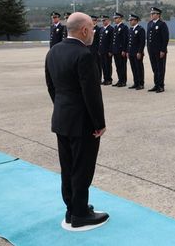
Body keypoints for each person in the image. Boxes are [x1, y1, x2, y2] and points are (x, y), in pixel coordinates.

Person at [45, 12, 109, 228]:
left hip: (62, 119)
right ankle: (80, 214)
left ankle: (72, 209)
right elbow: (91, 94)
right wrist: (99, 124)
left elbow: (51, 87)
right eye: (91, 28)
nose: (93, 32)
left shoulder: (53, 51)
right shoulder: (84, 55)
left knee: (68, 167)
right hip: (83, 124)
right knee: (82, 168)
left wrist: (63, 108)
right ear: (84, 30)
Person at [146, 7, 169, 93]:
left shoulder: (162, 24)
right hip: (151, 51)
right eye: (151, 14)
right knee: (155, 68)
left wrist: (163, 50)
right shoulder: (150, 24)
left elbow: (165, 38)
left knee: (160, 68)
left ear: (158, 15)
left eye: (153, 13)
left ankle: (161, 86)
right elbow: (148, 38)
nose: (151, 15)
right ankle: (156, 85)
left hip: (159, 51)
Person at [127, 14, 146, 90]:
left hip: (137, 53)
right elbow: (129, 42)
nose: (130, 22)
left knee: (139, 68)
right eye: (130, 20)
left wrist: (140, 52)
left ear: (136, 20)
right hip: (131, 52)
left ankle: (141, 84)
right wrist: (128, 51)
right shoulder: (131, 29)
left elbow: (142, 42)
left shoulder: (140, 29)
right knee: (133, 68)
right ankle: (136, 82)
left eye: (131, 20)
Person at [111, 12, 129, 87]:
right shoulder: (115, 27)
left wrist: (124, 50)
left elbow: (125, 40)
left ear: (121, 18)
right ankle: (120, 80)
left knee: (122, 66)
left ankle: (123, 81)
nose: (115, 19)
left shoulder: (124, 27)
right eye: (114, 18)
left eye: (116, 18)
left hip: (121, 51)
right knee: (118, 66)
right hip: (116, 50)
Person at [98, 15, 114, 85]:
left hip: (107, 51)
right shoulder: (101, 29)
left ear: (108, 20)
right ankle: (105, 79)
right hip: (102, 50)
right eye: (102, 20)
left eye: (104, 20)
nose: (103, 22)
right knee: (103, 65)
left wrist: (110, 50)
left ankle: (109, 79)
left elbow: (111, 41)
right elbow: (100, 41)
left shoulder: (111, 29)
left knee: (108, 65)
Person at [90, 15, 102, 79]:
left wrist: (98, 50)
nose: (92, 22)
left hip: (96, 49)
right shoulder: (89, 29)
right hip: (89, 49)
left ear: (96, 21)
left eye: (93, 20)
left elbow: (99, 40)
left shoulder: (98, 29)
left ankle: (99, 78)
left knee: (97, 65)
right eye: (91, 20)